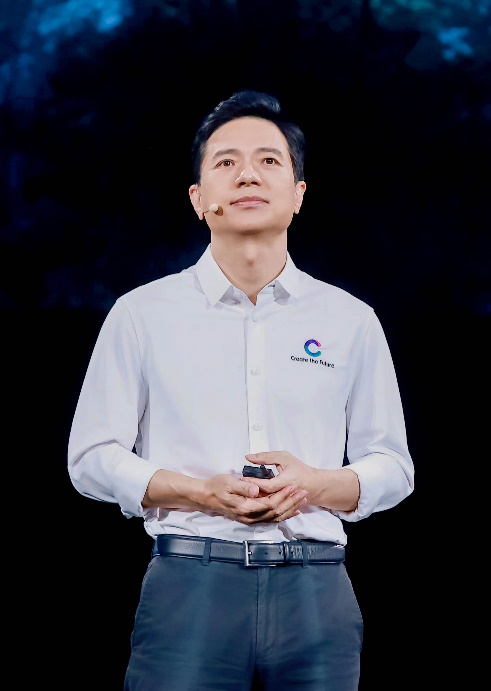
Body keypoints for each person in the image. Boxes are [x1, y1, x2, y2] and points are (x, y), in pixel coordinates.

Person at [67, 89, 414, 691]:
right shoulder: (141, 314)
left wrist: (313, 484)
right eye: (225, 161)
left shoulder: (351, 320)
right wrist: (200, 492)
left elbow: (393, 465)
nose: (248, 174)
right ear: (199, 199)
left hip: (317, 585)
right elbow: (91, 458)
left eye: (269, 160)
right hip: (189, 581)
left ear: (298, 194)